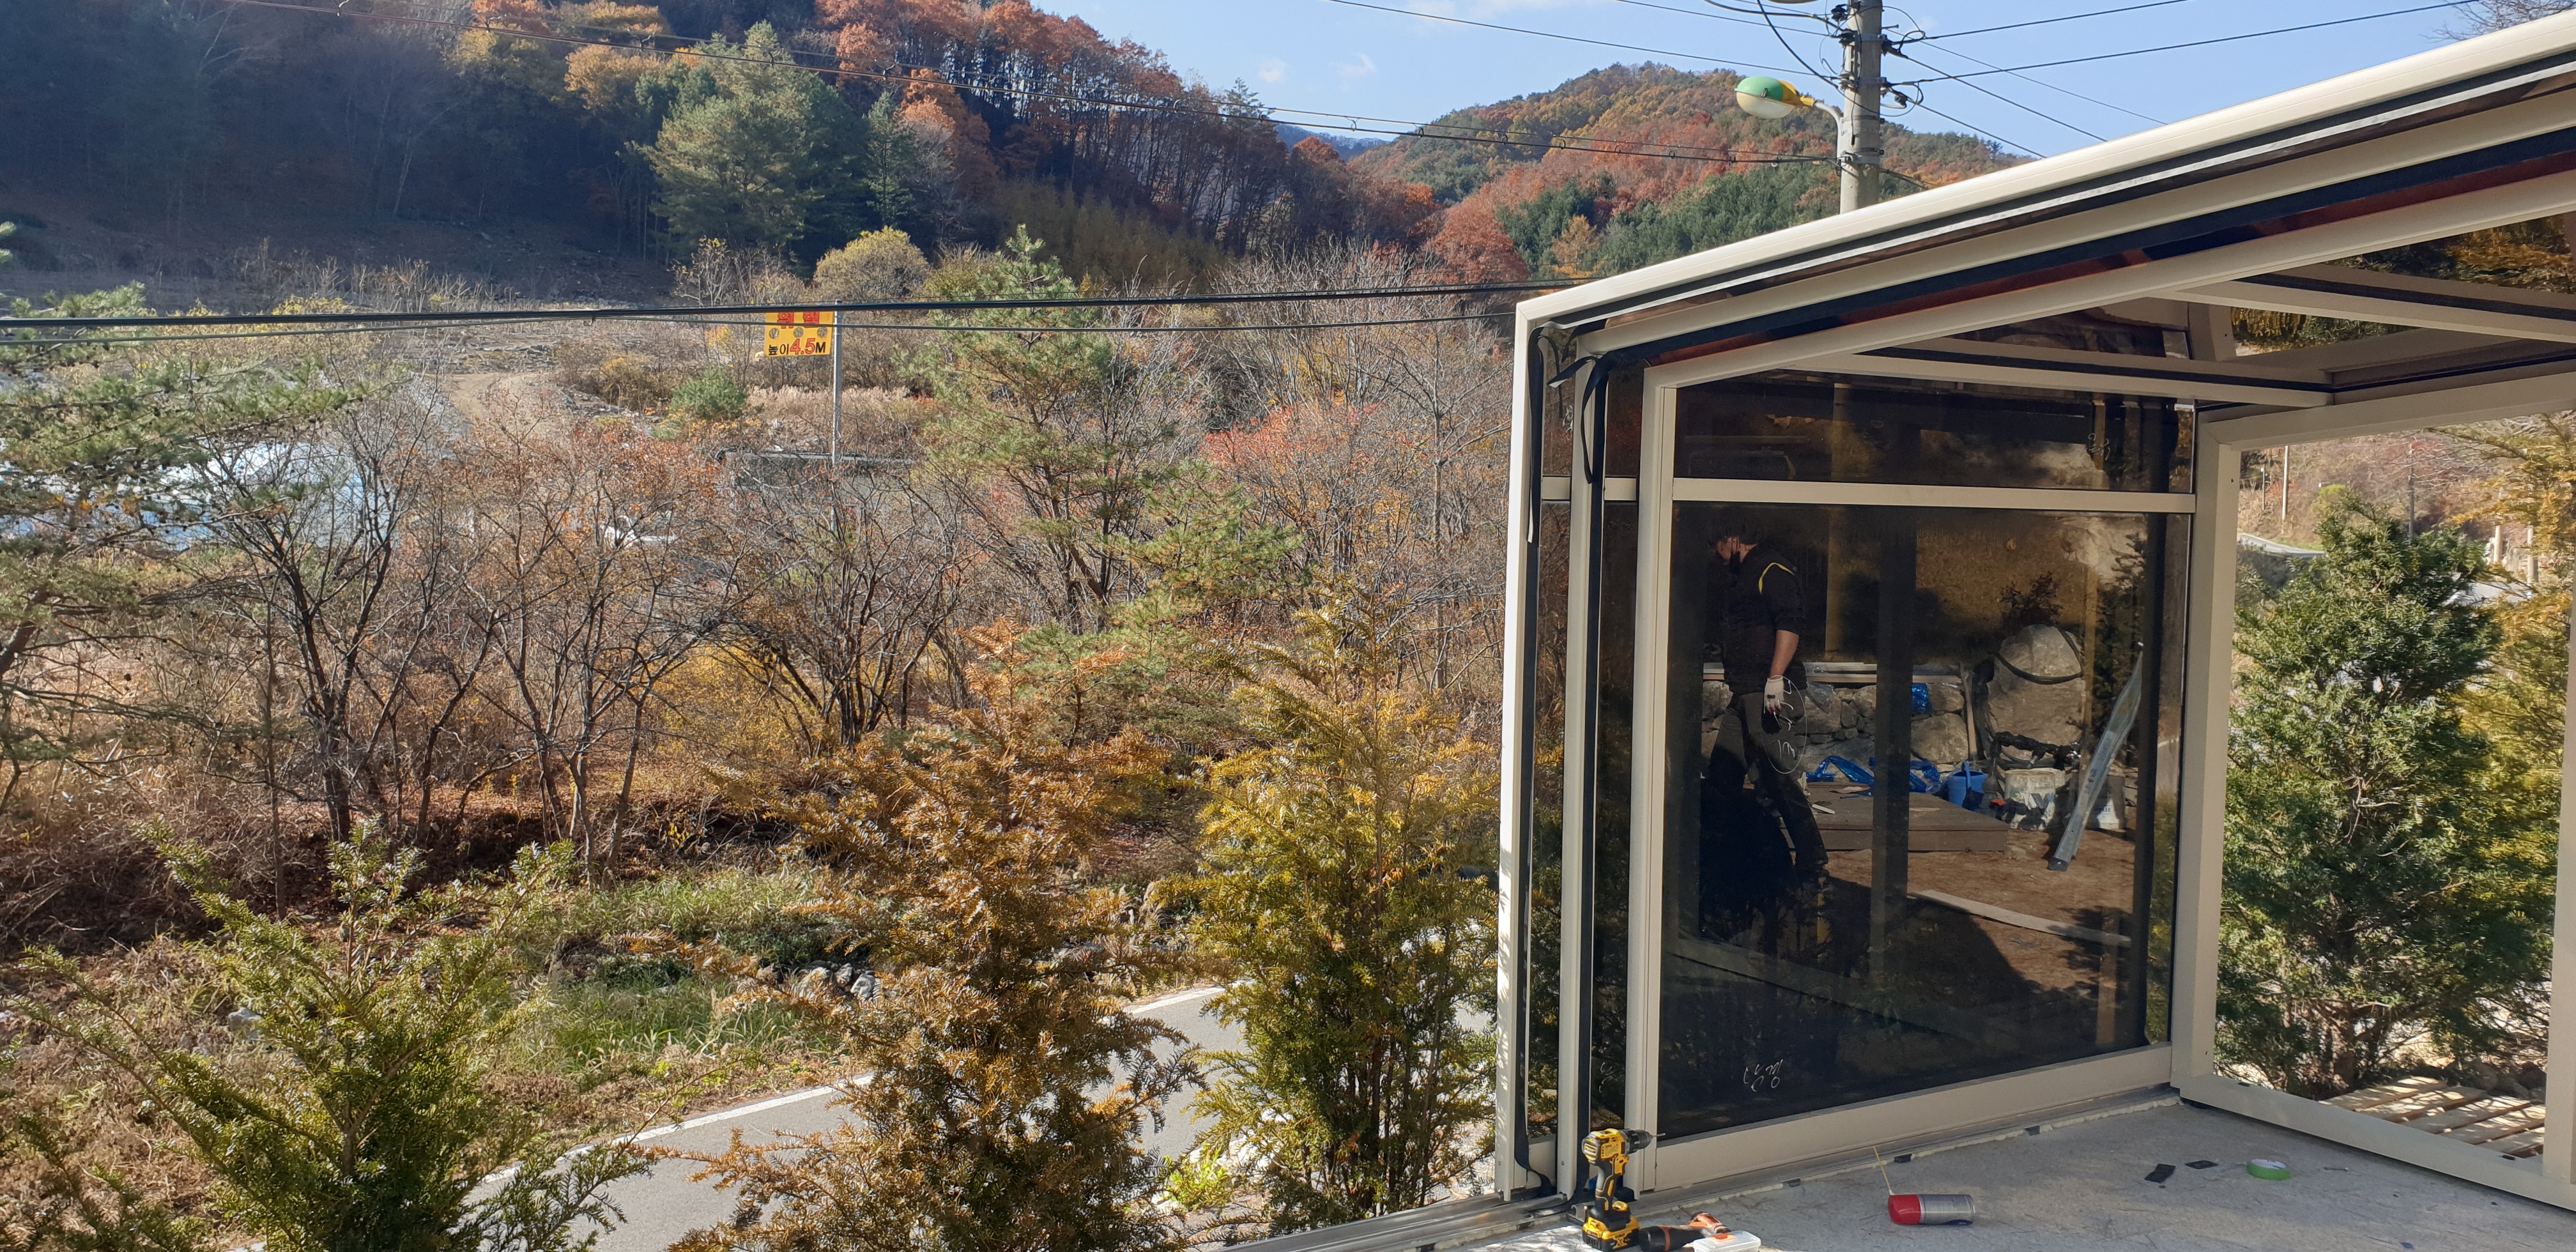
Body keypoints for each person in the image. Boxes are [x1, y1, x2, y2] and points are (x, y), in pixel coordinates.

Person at [1708, 526, 1830, 892]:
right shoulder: (1742, 575)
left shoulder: (1772, 570)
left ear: (1733, 540)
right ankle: (1723, 857)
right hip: (1744, 692)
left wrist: (1776, 677)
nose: (1714, 554)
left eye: (1716, 545)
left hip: (1769, 692)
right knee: (1724, 774)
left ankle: (1812, 862)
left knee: (1779, 779)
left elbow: (1790, 623)